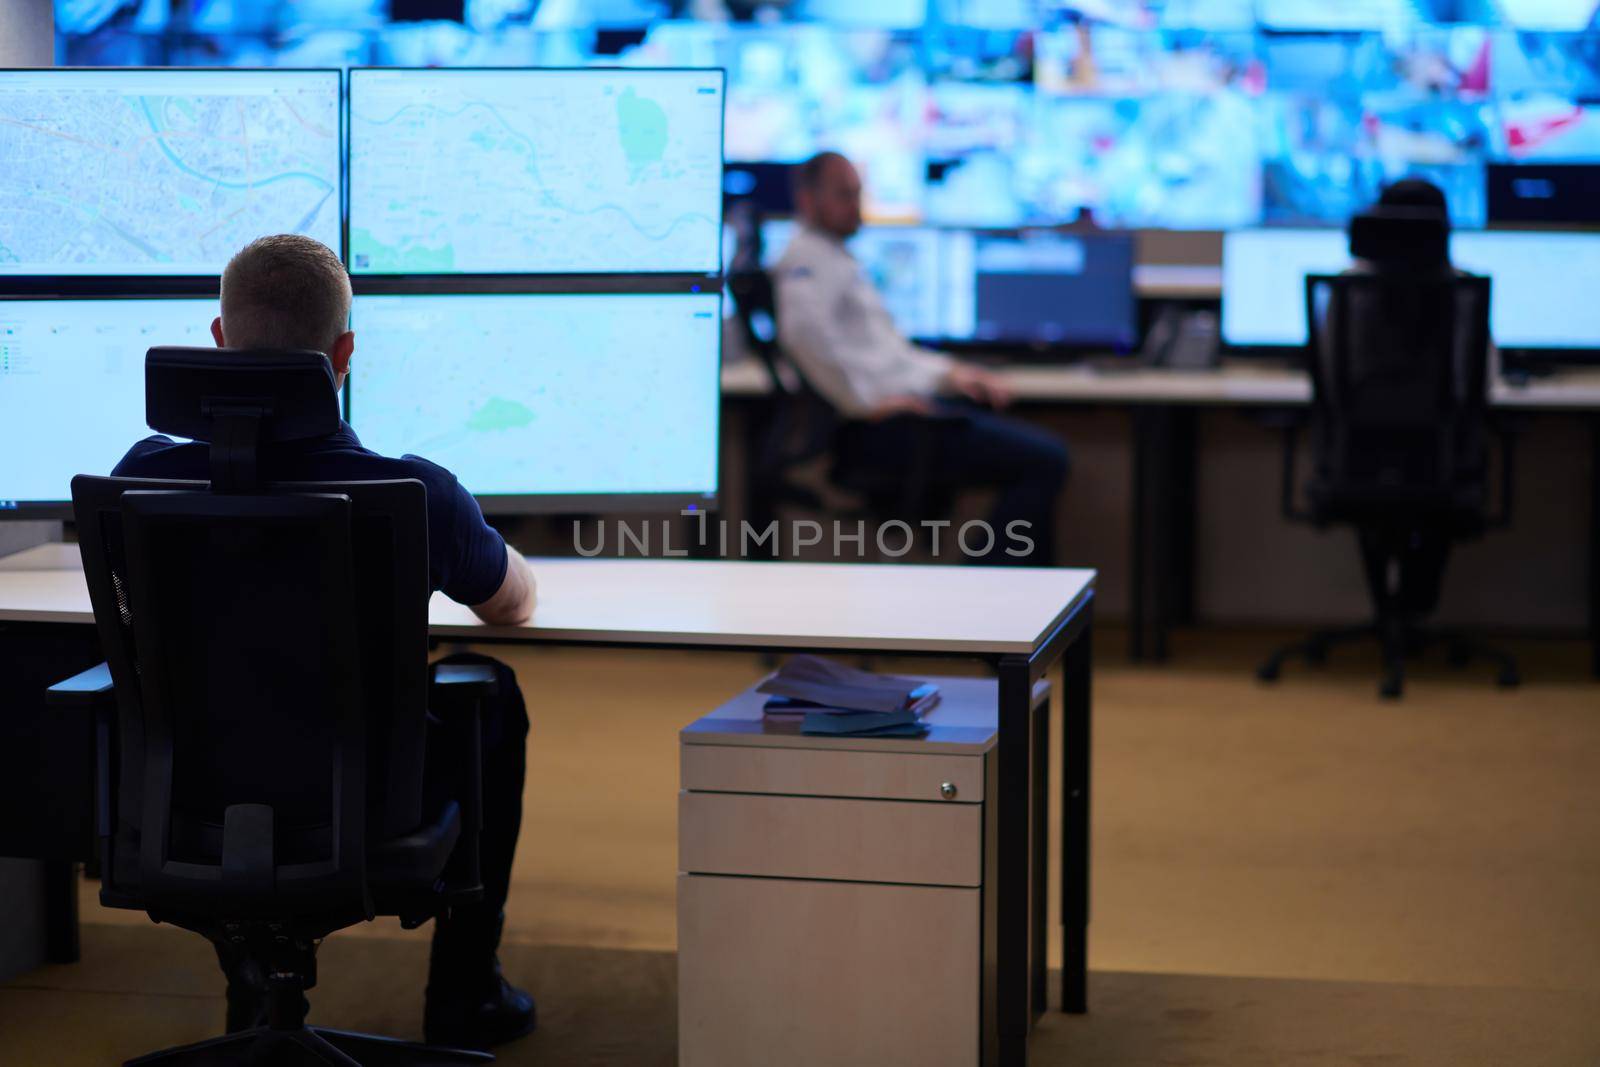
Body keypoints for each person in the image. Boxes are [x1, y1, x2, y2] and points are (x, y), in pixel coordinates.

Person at [110, 234, 538, 1050]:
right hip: (372, 803)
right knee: (490, 690)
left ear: (220, 340)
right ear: (343, 354)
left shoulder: (140, 479)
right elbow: (509, 607)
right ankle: (464, 988)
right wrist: (483, 543)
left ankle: (248, 990)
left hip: (188, 805)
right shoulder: (414, 490)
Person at [773, 151, 1069, 565]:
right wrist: (863, 405)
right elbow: (805, 338)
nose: (856, 205)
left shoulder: (836, 257)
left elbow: (889, 355)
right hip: (879, 431)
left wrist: (953, 374)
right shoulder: (806, 260)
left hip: (899, 418)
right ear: (807, 201)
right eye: (844, 194)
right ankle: (993, 591)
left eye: (858, 194)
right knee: (1045, 459)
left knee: (1032, 448)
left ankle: (998, 589)